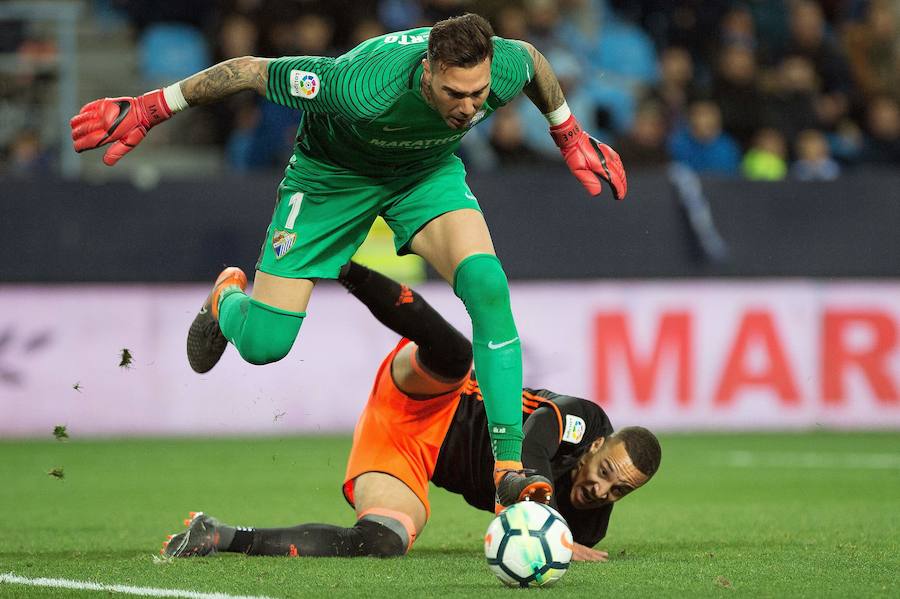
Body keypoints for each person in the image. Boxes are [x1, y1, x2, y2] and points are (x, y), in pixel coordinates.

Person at [70, 14, 628, 508]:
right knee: (265, 345)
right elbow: (245, 69)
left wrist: (568, 132)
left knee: (487, 284)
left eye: (478, 94)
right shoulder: (358, 87)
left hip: (423, 175)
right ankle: (227, 300)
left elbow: (532, 62)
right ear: (428, 71)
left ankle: (509, 466)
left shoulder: (498, 69)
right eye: (455, 94)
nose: (469, 108)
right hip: (331, 181)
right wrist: (151, 107)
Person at [161, 262, 661, 561]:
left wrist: (552, 544)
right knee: (457, 354)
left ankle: (218, 535)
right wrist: (541, 514)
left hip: (407, 453)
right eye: (605, 471)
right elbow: (532, 440)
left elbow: (536, 538)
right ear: (598, 446)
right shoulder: (584, 421)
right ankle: (339, 266)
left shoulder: (590, 523)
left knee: (382, 541)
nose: (601, 489)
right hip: (435, 395)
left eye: (619, 489)